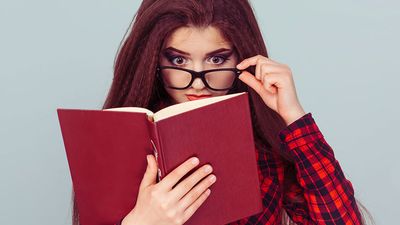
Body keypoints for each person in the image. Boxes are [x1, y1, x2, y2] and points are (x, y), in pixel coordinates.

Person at [71, 0, 372, 224]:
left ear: (242, 56)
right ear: (153, 60)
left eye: (217, 60)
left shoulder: (266, 151)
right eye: (178, 61)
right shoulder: (119, 142)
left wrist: (293, 116)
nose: (198, 82)